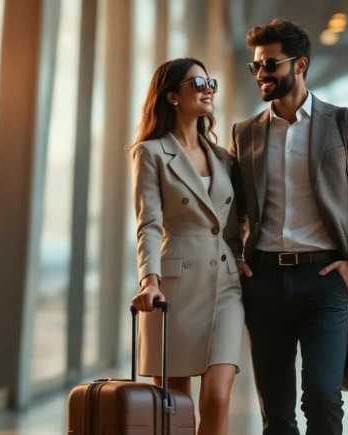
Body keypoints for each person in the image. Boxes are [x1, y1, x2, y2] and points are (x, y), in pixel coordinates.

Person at [229, 19, 348, 435]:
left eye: (271, 64)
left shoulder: (346, 123)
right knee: (277, 411)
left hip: (325, 279)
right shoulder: (245, 133)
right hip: (265, 280)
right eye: (256, 67)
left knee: (323, 397)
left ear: (300, 64)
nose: (262, 75)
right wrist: (236, 256)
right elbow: (232, 208)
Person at [129, 57, 245, 435]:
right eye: (198, 83)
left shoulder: (225, 158)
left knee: (218, 395)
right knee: (176, 408)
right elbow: (148, 222)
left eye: (211, 82)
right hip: (175, 286)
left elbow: (237, 218)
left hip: (226, 284)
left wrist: (241, 255)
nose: (208, 89)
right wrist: (150, 280)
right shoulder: (150, 152)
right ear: (173, 96)